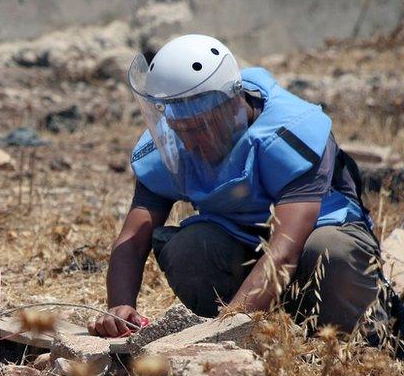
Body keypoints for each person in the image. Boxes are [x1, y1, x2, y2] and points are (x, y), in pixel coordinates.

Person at [90, 34, 381, 338]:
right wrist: (119, 307)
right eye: (181, 130)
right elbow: (133, 239)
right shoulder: (171, 144)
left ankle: (355, 337)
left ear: (234, 104)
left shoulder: (290, 133)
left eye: (202, 128)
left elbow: (285, 251)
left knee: (329, 250)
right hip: (242, 244)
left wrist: (228, 327)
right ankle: (260, 335)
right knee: (188, 248)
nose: (192, 142)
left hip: (316, 240)